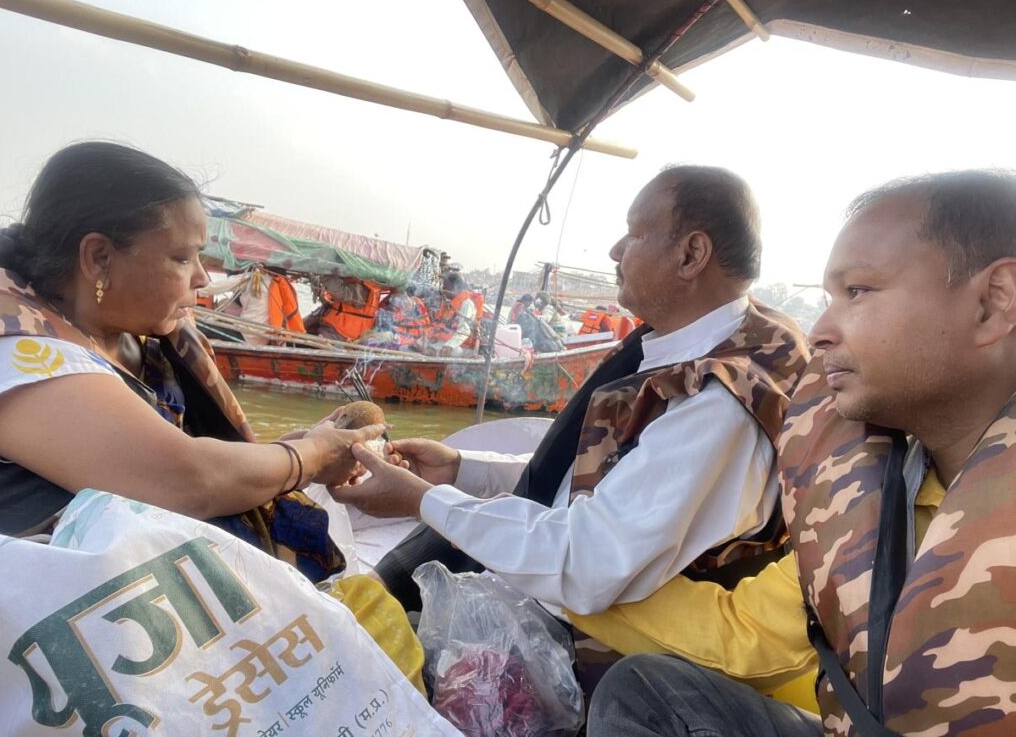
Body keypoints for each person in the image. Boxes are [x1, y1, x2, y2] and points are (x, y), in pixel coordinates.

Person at [334, 165, 810, 691]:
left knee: (411, 573)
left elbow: (585, 562)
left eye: (635, 232)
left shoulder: (719, 405)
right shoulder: (696, 344)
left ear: (691, 254)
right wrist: (461, 469)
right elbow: (599, 481)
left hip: (589, 657)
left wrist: (420, 499)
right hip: (562, 587)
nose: (614, 250)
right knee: (439, 530)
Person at [587, 170, 1016, 736]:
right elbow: (751, 636)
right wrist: (560, 576)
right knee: (645, 691)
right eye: (828, 299)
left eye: (858, 291)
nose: (818, 333)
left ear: (992, 303)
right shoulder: (893, 487)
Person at [0, 142, 382, 564]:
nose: (200, 277)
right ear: (98, 257)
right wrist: (313, 455)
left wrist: (282, 455)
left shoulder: (144, 340)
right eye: (182, 257)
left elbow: (188, 458)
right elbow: (187, 480)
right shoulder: (16, 353)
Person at [432, 271, 483, 355]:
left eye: (445, 284)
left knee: (455, 351)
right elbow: (439, 326)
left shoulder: (467, 304)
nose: (443, 287)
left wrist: (450, 346)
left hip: (462, 346)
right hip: (444, 342)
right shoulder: (449, 304)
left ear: (454, 287)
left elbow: (464, 330)